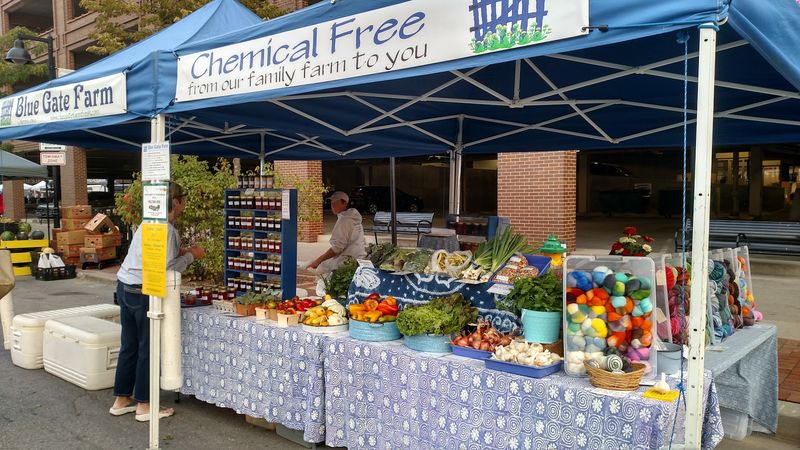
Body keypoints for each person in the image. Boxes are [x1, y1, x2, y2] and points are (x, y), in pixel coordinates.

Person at [109, 182, 205, 422]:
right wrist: (192, 256)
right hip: (144, 291)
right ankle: (144, 404)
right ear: (175, 202)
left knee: (129, 345)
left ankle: (121, 400)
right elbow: (167, 269)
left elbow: (153, 254)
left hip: (125, 285)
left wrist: (180, 251)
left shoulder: (148, 222)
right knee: (147, 348)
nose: (184, 204)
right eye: (183, 199)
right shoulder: (169, 230)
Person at [308, 191, 366, 274]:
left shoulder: (345, 220)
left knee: (322, 270)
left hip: (347, 260)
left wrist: (318, 261)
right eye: (331, 203)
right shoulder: (352, 217)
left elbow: (337, 248)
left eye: (335, 203)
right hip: (357, 256)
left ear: (344, 203)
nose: (332, 206)